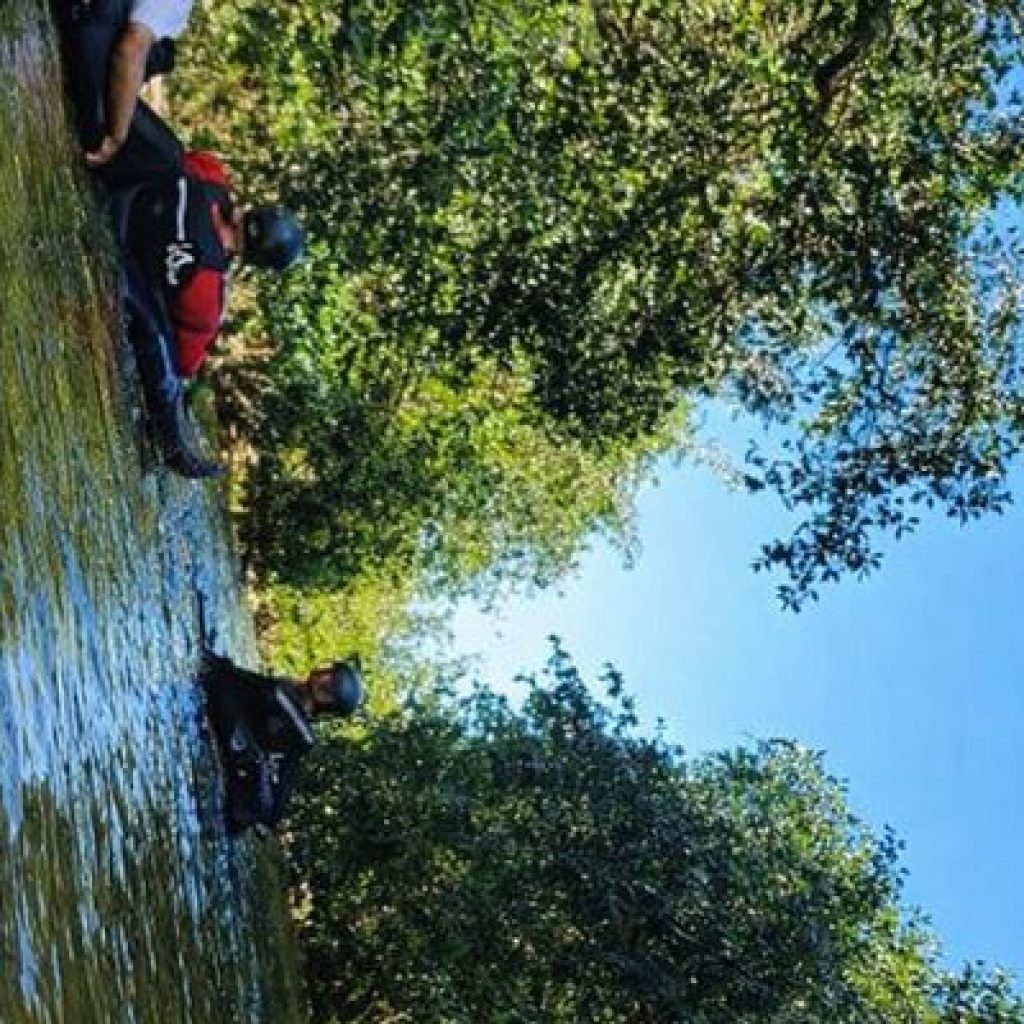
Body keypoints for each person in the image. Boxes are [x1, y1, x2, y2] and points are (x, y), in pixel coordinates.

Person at [124, 150, 304, 379]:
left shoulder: (210, 172)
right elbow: (186, 363)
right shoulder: (208, 293)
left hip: (126, 197)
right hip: (128, 267)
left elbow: (175, 157)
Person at [200, 650, 364, 835]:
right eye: (331, 674)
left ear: (328, 703)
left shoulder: (283, 700)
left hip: (238, 780)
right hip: (239, 777)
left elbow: (234, 680)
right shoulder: (297, 719)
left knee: (217, 678)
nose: (324, 678)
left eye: (331, 687)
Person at [53, 0, 194, 178]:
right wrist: (116, 137)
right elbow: (131, 48)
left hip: (77, 24)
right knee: (167, 159)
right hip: (86, 59)